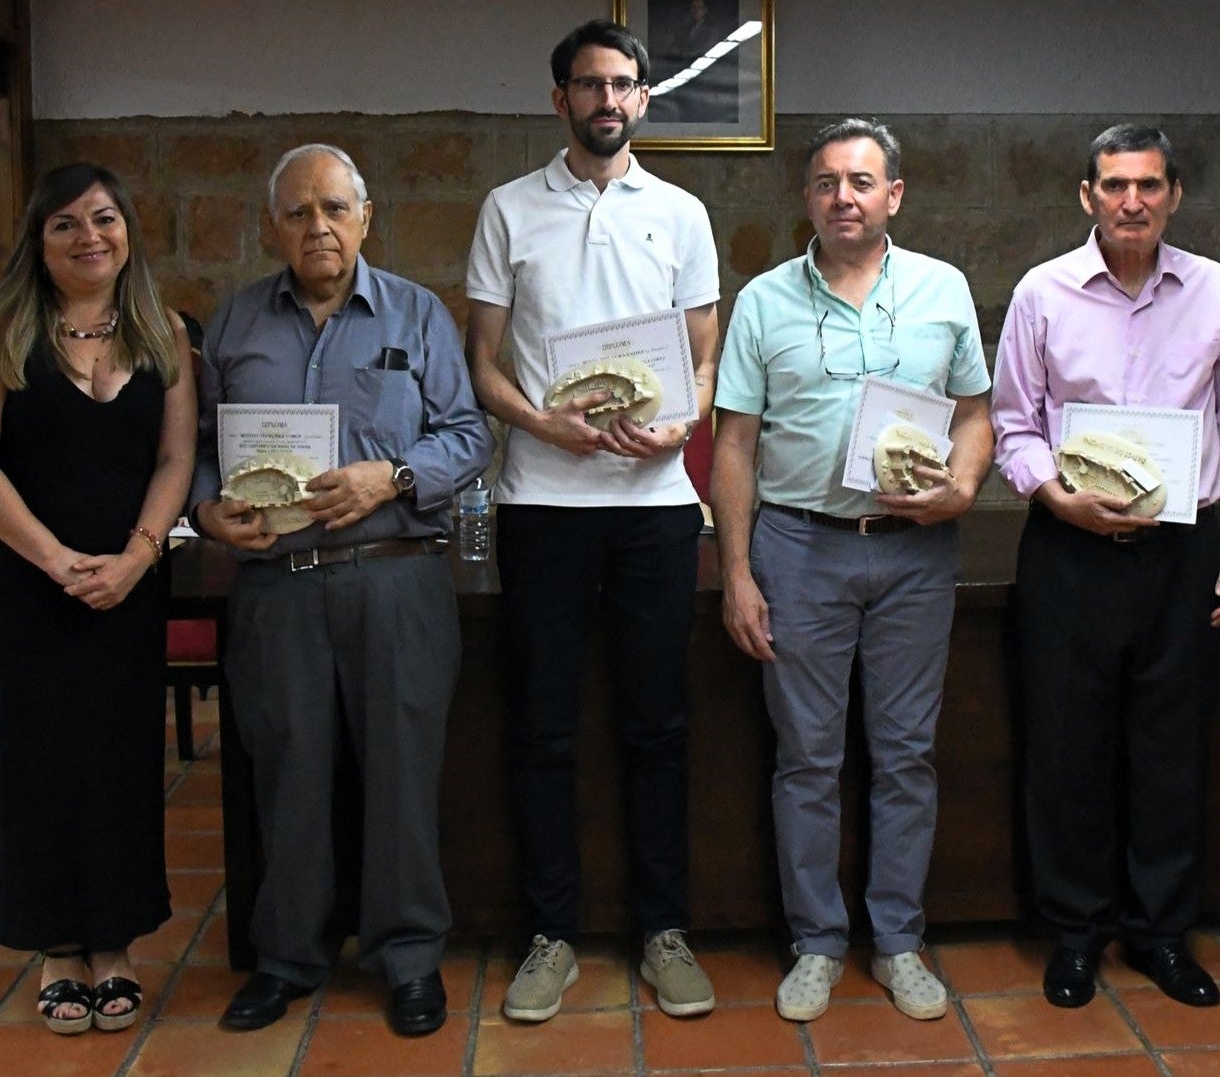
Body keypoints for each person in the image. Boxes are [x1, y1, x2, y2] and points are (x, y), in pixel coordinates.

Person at [193, 143, 493, 1038]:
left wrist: (391, 477)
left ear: (366, 218)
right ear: (269, 227)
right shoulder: (234, 324)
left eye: (333, 208)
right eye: (297, 212)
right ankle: (287, 955)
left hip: (394, 579)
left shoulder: (420, 315)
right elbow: (200, 447)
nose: (316, 226)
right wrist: (208, 509)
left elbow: (469, 433)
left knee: (403, 778)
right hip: (277, 590)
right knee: (286, 774)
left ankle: (407, 958)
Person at [465, 19, 721, 1023]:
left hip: (655, 511)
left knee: (657, 724)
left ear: (644, 98)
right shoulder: (506, 210)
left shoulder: (681, 213)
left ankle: (663, 930)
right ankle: (550, 936)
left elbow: (702, 361)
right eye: (586, 84)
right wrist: (544, 425)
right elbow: (482, 361)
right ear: (558, 98)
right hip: (541, 504)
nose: (605, 100)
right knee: (541, 727)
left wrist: (679, 426)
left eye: (621, 84)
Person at [713, 119, 993, 1024]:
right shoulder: (762, 300)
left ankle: (900, 940)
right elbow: (735, 444)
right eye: (828, 181)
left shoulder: (944, 291)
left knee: (907, 755)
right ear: (808, 198)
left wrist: (963, 486)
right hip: (799, 548)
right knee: (807, 759)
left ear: (894, 196)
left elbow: (978, 413)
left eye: (862, 181)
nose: (845, 196)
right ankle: (817, 942)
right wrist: (738, 573)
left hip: (915, 552)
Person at [990, 124, 1220, 1011]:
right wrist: (1055, 496)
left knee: (1170, 745)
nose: (1131, 200)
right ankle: (1075, 934)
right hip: (1070, 549)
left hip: (1183, 550)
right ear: (1087, 196)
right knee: (1067, 748)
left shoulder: (1214, 289)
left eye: (1147, 185)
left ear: (1174, 193)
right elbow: (1014, 424)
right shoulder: (1043, 293)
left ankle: (1160, 933)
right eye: (1114, 185)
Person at [0, 163, 196, 1036]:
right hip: (26, 584)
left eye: (104, 219)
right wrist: (56, 561)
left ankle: (116, 943)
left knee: (123, 758)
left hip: (127, 585)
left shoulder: (163, 331)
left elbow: (175, 461)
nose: (89, 237)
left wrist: (134, 558)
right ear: (38, 239)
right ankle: (56, 946)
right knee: (38, 757)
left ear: (128, 229)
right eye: (66, 224)